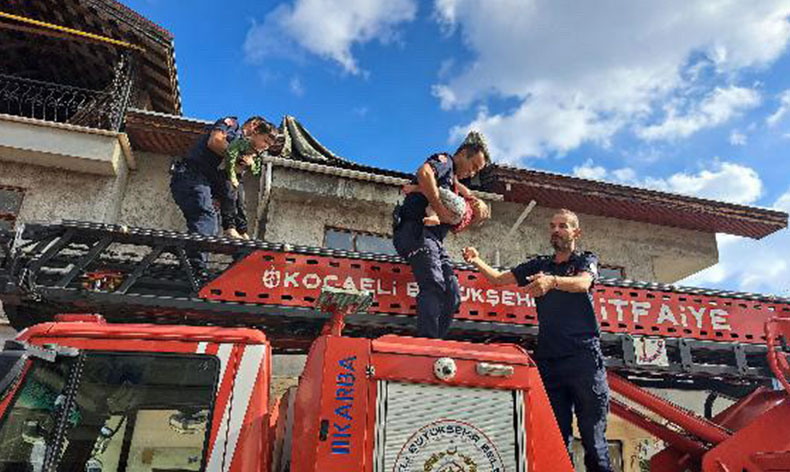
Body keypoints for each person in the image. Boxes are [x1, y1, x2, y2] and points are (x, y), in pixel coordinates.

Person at [462, 209, 613, 472]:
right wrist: (476, 260)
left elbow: (583, 283)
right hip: (550, 360)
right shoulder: (538, 266)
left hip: (584, 358)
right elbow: (497, 279)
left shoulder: (585, 260)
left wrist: (552, 282)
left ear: (576, 233)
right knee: (556, 439)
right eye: (552, 226)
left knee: (594, 440)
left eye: (563, 226)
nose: (556, 230)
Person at [392, 130, 491, 339]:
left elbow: (459, 196)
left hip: (435, 240)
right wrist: (439, 209)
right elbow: (424, 173)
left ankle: (437, 340)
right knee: (434, 286)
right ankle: (428, 342)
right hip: (417, 231)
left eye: (477, 171)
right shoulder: (445, 162)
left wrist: (475, 202)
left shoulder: (453, 181)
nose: (473, 173)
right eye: (473, 166)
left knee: (452, 294)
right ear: (463, 154)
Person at [169, 116, 277, 271]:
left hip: (205, 182)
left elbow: (232, 184)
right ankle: (194, 269)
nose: (264, 146)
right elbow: (215, 142)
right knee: (205, 217)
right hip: (191, 175)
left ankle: (194, 260)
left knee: (211, 224)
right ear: (255, 126)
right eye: (265, 141)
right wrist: (239, 158)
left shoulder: (245, 146)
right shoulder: (232, 126)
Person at [220, 118, 281, 240]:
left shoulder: (256, 154)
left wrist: (251, 164)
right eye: (265, 141)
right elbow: (230, 155)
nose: (265, 146)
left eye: (268, 145)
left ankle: (242, 230)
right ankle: (229, 227)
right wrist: (233, 173)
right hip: (225, 173)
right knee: (229, 198)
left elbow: (256, 170)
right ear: (256, 132)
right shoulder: (241, 142)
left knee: (240, 203)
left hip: (238, 177)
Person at [401, 183, 490, 233]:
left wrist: (455, 181)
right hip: (455, 220)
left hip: (460, 206)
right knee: (432, 206)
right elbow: (455, 231)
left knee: (439, 191)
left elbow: (465, 191)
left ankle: (415, 188)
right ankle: (433, 216)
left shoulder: (470, 201)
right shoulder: (468, 221)